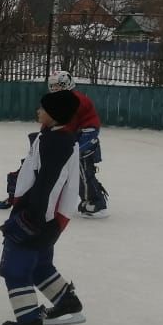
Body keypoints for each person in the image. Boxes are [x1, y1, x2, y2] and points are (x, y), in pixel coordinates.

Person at [0, 89, 87, 325]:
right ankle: (66, 303)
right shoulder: (54, 137)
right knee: (39, 265)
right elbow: (37, 173)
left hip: (39, 217)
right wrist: (19, 189)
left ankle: (28, 324)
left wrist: (31, 218)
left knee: (15, 269)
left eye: (43, 109)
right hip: (48, 217)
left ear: (54, 115)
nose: (38, 111)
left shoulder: (55, 143)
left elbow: (49, 183)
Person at [48, 70, 108, 217]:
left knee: (81, 170)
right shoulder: (55, 102)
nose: (56, 89)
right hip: (69, 139)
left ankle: (96, 202)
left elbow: (90, 127)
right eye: (53, 86)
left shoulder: (78, 100)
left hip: (85, 138)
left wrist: (76, 148)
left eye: (59, 85)